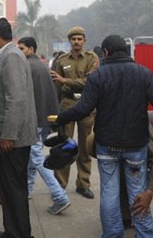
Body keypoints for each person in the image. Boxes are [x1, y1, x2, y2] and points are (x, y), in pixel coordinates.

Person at [56, 35, 153, 238]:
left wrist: (60, 118)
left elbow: (82, 109)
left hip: (106, 146)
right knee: (138, 194)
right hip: (136, 147)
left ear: (105, 53)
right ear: (125, 50)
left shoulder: (98, 76)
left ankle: (112, 234)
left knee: (109, 194)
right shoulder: (143, 73)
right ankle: (146, 235)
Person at [0, 18, 38, 238]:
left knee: (13, 189)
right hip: (8, 136)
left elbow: (15, 99)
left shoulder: (12, 56)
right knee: (11, 188)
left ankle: (18, 234)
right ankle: (14, 231)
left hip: (10, 139)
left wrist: (8, 135)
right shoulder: (7, 55)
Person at [18, 37, 70, 215]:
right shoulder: (42, 66)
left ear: (31, 49)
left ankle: (59, 196)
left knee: (37, 159)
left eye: (22, 48)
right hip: (45, 119)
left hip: (34, 121)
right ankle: (27, 190)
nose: (20, 51)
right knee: (33, 157)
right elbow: (51, 94)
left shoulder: (26, 67)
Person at [50, 27, 99, 199]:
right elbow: (57, 86)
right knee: (64, 146)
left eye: (79, 39)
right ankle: (59, 186)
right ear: (69, 41)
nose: (76, 42)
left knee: (85, 147)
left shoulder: (92, 59)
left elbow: (90, 81)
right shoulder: (62, 60)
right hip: (67, 104)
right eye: (73, 39)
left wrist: (66, 80)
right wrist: (54, 111)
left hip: (86, 105)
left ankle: (83, 184)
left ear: (84, 40)